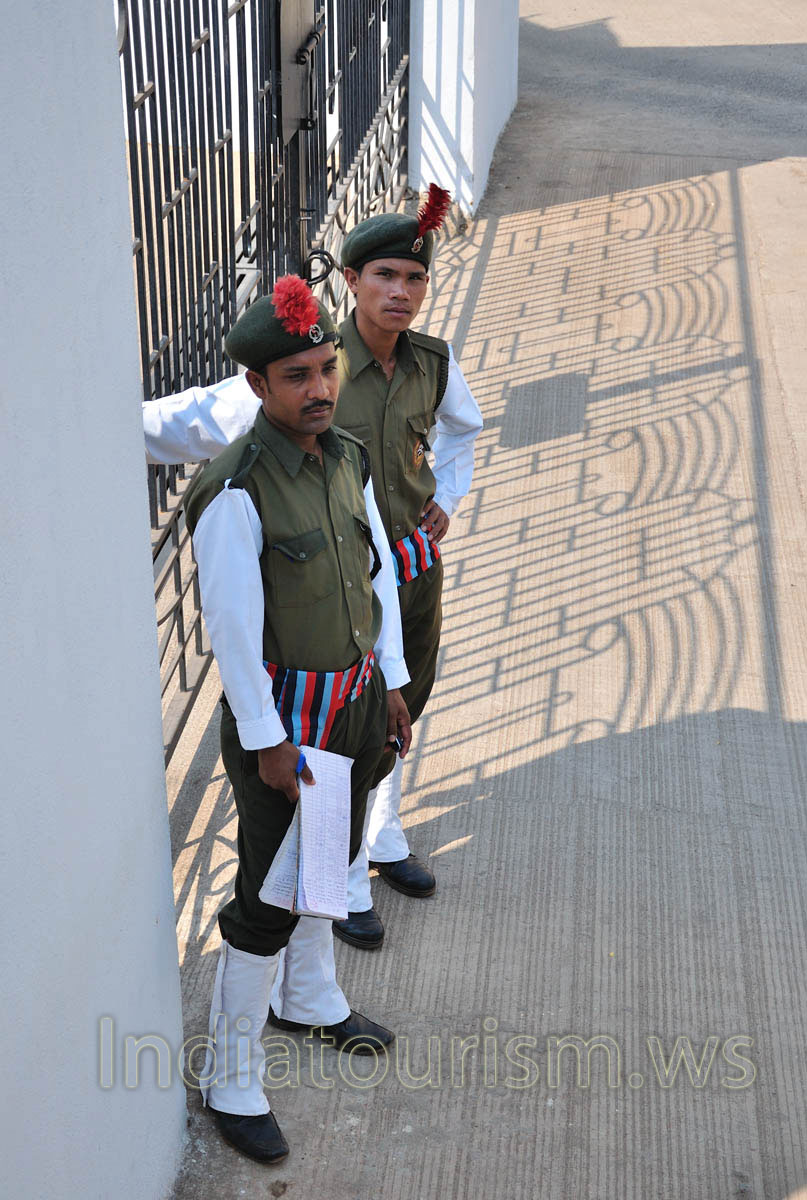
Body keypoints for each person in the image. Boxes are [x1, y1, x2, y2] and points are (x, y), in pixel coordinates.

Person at [143, 187, 483, 949]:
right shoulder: (302, 375)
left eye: (415, 279)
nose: (400, 292)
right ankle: (346, 879)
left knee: (395, 714)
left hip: (401, 578)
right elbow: (198, 421)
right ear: (352, 281)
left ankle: (378, 843)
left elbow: (463, 430)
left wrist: (448, 499)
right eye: (385, 275)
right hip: (319, 609)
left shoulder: (428, 364)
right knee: (317, 781)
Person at [184, 275, 412, 1164]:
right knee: (267, 901)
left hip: (354, 704)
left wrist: (390, 678)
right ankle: (231, 1075)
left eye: (326, 367)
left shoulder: (345, 455)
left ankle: (309, 999)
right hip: (289, 725)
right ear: (257, 386)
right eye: (295, 376)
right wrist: (266, 741)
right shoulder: (235, 490)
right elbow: (233, 634)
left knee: (333, 857)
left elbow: (376, 573)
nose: (318, 388)